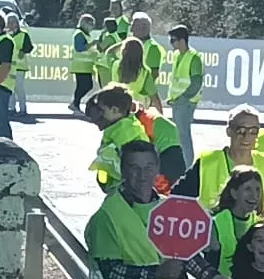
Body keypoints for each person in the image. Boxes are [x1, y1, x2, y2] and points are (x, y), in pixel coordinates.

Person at [84, 139, 195, 279]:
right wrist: (157, 274)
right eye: (134, 168)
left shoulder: (167, 208)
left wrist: (215, 278)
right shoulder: (108, 214)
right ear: (123, 170)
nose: (142, 175)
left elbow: (188, 255)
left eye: (148, 167)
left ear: (157, 168)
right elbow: (110, 272)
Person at [177, 104, 264, 210]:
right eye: (241, 130)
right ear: (229, 131)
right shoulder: (207, 163)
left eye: (253, 131)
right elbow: (177, 198)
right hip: (215, 221)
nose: (246, 136)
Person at [113, 39, 184, 179]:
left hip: (119, 113)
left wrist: (121, 43)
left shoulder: (115, 66)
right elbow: (154, 97)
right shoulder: (144, 72)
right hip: (139, 115)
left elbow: (108, 53)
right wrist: (160, 116)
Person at [84, 85, 149, 190]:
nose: (99, 115)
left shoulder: (125, 131)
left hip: (128, 188)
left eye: (102, 110)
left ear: (115, 110)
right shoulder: (118, 129)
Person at [163, 24, 205, 143]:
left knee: (183, 135)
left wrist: (183, 98)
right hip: (178, 101)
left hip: (186, 102)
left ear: (182, 40)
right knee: (179, 135)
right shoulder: (177, 55)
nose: (171, 43)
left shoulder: (194, 57)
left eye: (173, 40)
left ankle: (187, 156)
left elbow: (196, 83)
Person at [126, 12, 165, 105]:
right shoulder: (131, 44)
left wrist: (143, 91)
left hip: (140, 97)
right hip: (128, 93)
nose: (131, 30)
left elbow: (154, 73)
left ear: (144, 28)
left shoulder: (152, 48)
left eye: (134, 26)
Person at [3, 13, 34, 120]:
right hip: (9, 67)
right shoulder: (6, 35)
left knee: (19, 89)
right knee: (10, 89)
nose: (11, 24)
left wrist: (23, 51)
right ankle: (11, 108)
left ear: (17, 23)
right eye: (9, 22)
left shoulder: (23, 34)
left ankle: (23, 109)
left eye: (13, 22)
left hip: (20, 66)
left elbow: (30, 47)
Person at [68, 13, 99, 112]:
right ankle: (75, 104)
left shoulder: (86, 35)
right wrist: (93, 43)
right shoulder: (79, 34)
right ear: (84, 23)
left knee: (87, 86)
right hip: (80, 66)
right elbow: (79, 48)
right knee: (83, 86)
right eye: (90, 24)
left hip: (86, 66)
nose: (92, 27)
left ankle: (75, 103)